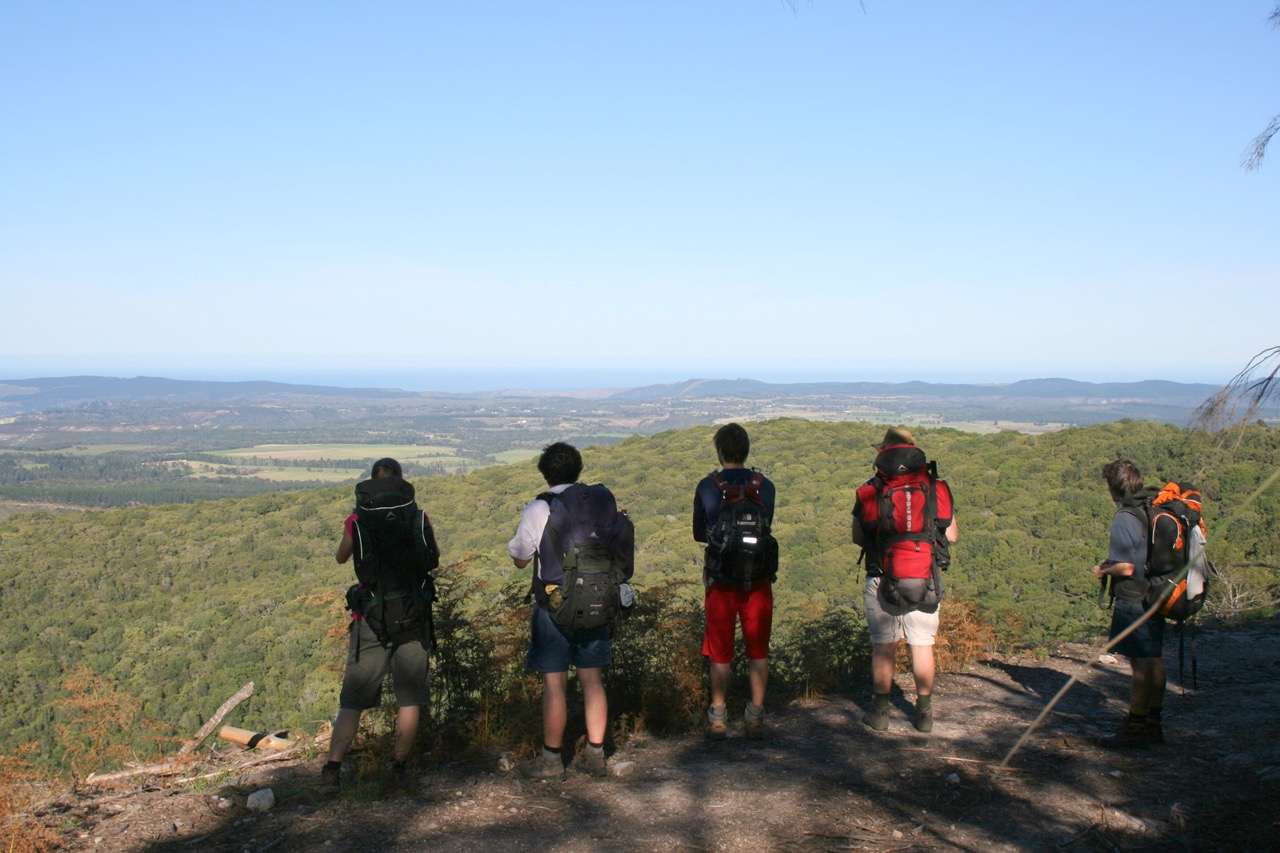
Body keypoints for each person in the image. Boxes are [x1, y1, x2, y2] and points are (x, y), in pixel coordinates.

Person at [508, 442, 634, 779]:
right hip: (598, 602)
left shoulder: (540, 507)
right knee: (593, 681)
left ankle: (551, 761)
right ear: (578, 470)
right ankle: (596, 755)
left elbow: (521, 559)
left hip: (554, 608)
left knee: (555, 686)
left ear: (545, 472)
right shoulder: (601, 503)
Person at [321, 458, 438, 792]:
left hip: (371, 617)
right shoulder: (417, 516)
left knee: (353, 699)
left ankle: (332, 769)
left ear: (371, 483)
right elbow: (432, 558)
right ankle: (398, 767)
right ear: (401, 482)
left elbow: (342, 557)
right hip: (413, 615)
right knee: (410, 698)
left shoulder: (357, 519)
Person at [852, 427, 958, 733]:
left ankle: (881, 714)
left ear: (884, 451)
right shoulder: (936, 487)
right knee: (922, 645)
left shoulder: (871, 488)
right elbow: (952, 534)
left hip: (882, 576)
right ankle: (924, 715)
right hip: (925, 576)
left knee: (884, 646)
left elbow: (858, 537)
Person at [692, 423, 777, 739]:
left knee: (720, 651)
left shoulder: (708, 486)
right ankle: (755, 714)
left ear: (720, 451)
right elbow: (766, 526)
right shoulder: (764, 486)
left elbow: (699, 532)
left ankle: (718, 715)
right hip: (758, 580)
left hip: (721, 581)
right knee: (758, 650)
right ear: (746, 450)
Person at [1093, 459, 1166, 748]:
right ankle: (1153, 723)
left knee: (1140, 664)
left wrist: (1104, 569)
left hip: (1134, 598)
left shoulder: (1125, 517)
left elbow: (1126, 567)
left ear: (1114, 486)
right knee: (1155, 658)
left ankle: (1134, 727)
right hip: (1158, 594)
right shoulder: (1151, 507)